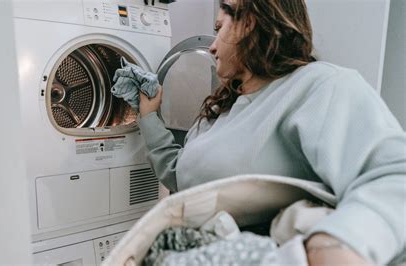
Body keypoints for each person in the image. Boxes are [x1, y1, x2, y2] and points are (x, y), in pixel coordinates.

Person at [113, 0, 406, 264]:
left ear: (249, 23)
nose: (212, 46)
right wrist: (148, 115)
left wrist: (335, 242)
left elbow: (393, 175)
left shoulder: (319, 86)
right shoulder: (219, 112)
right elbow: (180, 177)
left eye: (220, 28)